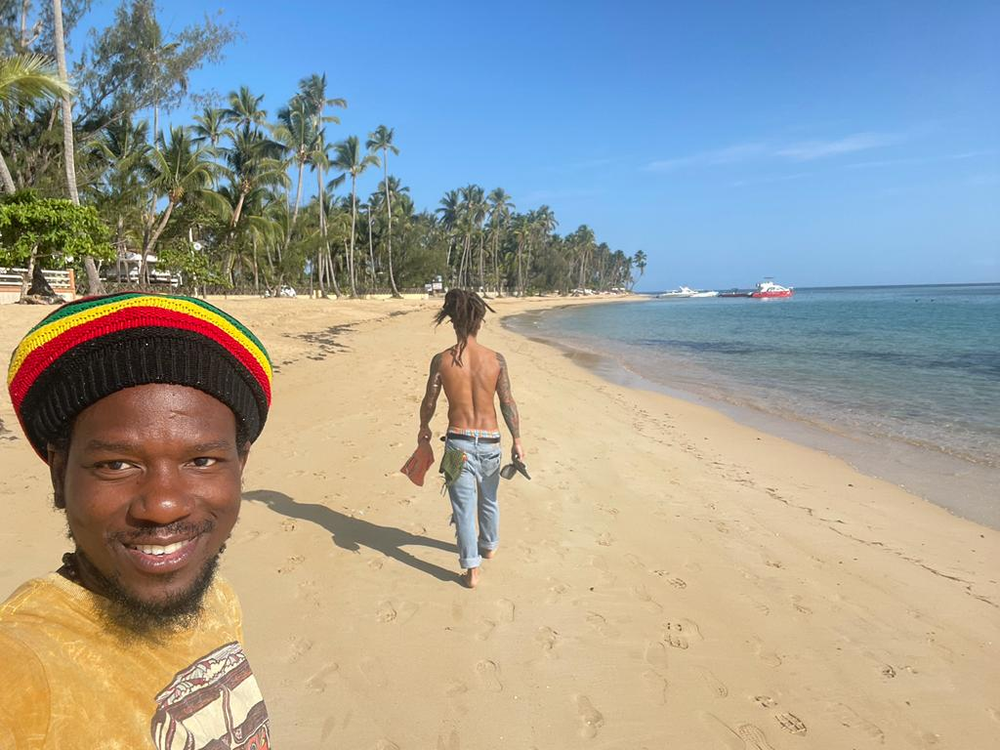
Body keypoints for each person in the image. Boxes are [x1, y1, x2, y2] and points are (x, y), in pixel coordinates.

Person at [0, 293, 273, 748]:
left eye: (202, 460)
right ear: (58, 473)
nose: (163, 506)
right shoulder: (24, 666)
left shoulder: (218, 598)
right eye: (116, 465)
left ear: (240, 465)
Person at [418, 289, 525, 588]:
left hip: (458, 443)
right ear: (479, 321)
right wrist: (517, 439)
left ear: (452, 321)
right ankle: (488, 545)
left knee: (464, 508)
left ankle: (472, 570)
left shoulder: (441, 361)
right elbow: (507, 402)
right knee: (489, 499)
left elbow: (430, 400)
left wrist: (423, 428)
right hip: (491, 441)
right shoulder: (496, 359)